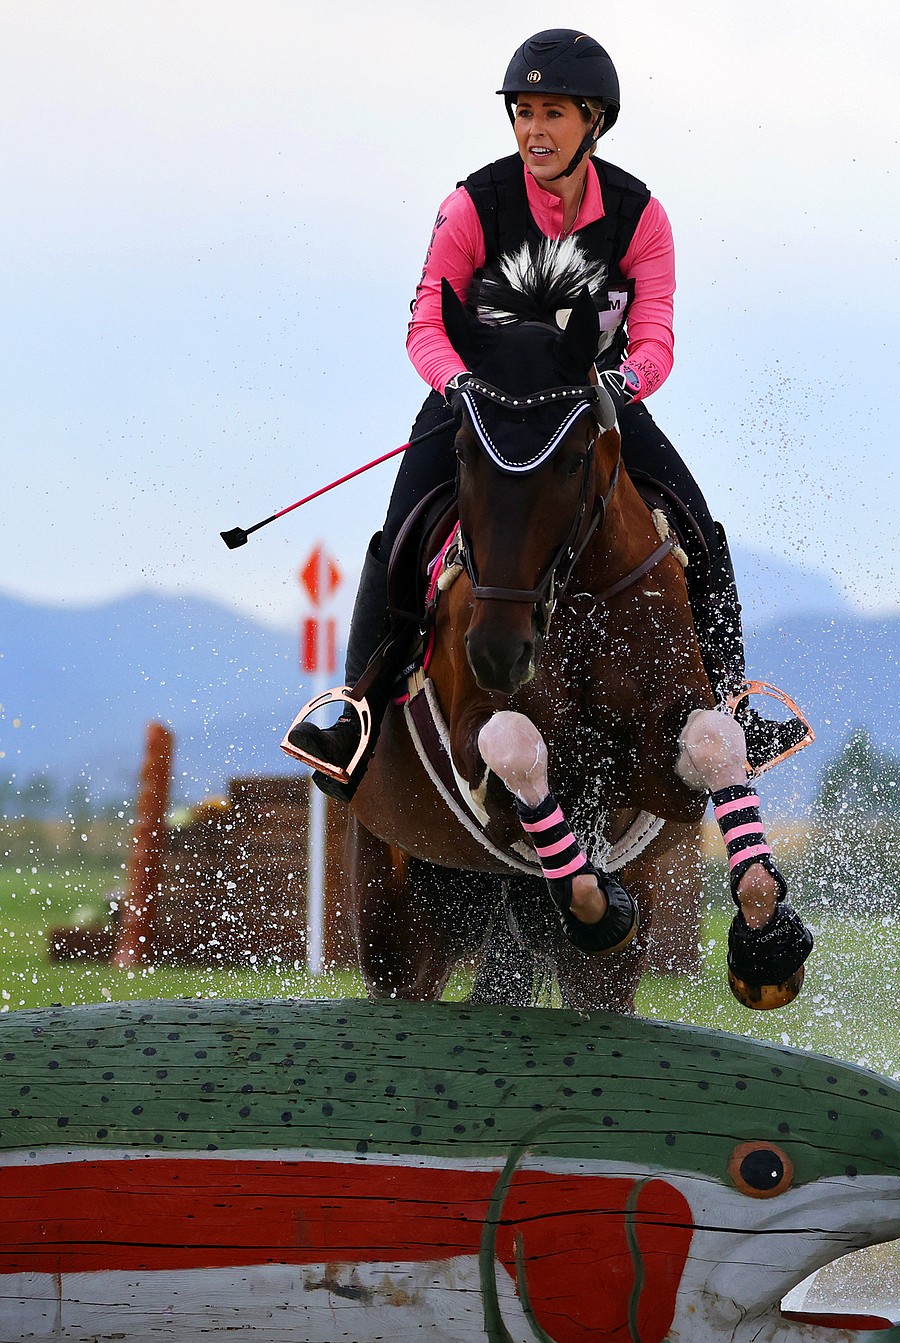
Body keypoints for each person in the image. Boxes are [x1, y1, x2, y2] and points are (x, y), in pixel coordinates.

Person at [286, 28, 800, 794]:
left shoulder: (640, 217)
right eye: (522, 113)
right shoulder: (470, 206)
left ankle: (731, 696)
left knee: (698, 522)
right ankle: (356, 707)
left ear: (594, 120)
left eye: (552, 113)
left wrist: (619, 388)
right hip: (479, 403)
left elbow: (656, 338)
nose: (533, 130)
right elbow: (426, 323)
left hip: (588, 407)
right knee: (398, 534)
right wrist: (458, 385)